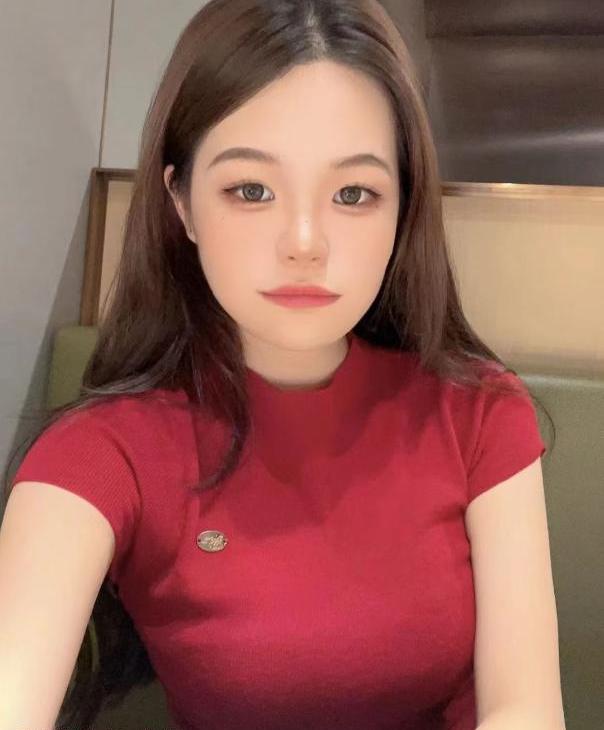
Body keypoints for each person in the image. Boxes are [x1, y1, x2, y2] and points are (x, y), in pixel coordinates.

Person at [0, 1, 565, 729]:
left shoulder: (478, 414)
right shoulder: (103, 455)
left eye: (354, 193)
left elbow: (525, 709)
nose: (304, 241)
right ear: (182, 203)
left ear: (402, 209)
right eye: (252, 190)